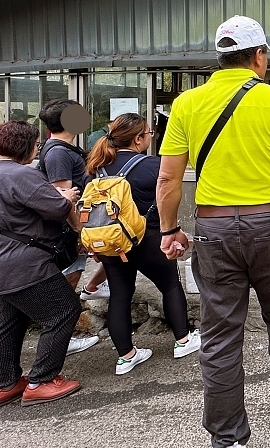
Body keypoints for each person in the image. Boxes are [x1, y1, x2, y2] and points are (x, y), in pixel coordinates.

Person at [157, 15, 270, 446]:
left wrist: (170, 229)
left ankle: (228, 436)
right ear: (258, 56)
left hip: (213, 227)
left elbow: (167, 178)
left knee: (219, 333)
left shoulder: (186, 104)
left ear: (220, 58)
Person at [0, 120, 84, 408]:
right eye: (35, 145)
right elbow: (57, 208)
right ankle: (42, 380)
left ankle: (4, 384)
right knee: (63, 311)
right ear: (24, 146)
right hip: (22, 265)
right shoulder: (19, 174)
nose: (37, 149)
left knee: (9, 320)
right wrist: (66, 197)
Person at [85, 113, 201, 376]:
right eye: (149, 133)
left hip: (113, 243)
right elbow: (166, 201)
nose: (151, 137)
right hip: (149, 239)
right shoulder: (152, 166)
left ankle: (126, 356)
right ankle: (183, 340)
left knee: (120, 294)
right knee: (170, 285)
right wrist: (175, 232)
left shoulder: (97, 167)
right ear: (138, 138)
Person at [37, 99, 106, 356]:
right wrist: (80, 231)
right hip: (66, 231)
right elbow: (63, 199)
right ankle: (61, 336)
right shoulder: (58, 153)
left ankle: (62, 334)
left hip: (72, 229)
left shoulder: (65, 148)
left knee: (73, 276)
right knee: (67, 281)